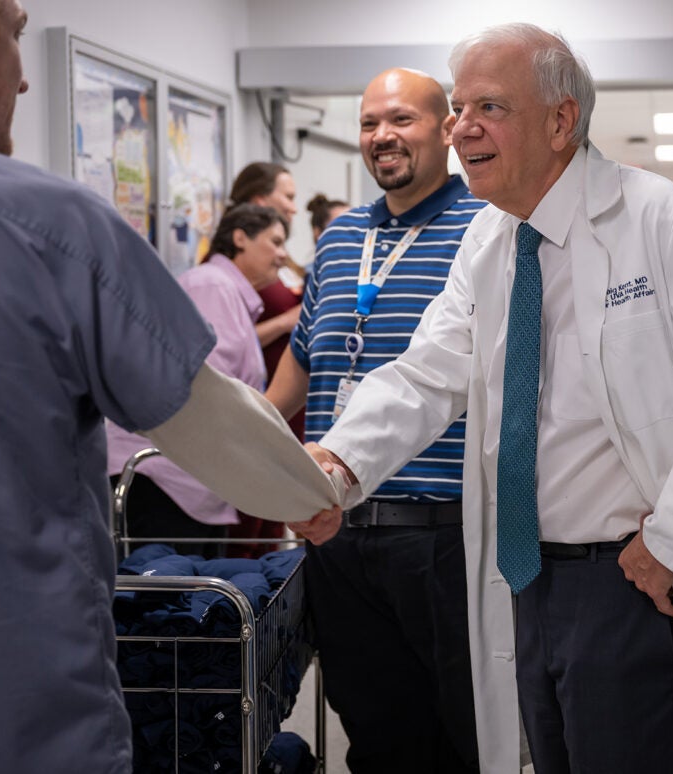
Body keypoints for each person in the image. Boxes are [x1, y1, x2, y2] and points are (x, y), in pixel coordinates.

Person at [309, 24, 673, 773]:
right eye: (457, 107)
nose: (461, 127)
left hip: (630, 582)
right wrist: (339, 464)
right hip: (521, 580)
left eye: (490, 106)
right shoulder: (489, 243)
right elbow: (426, 374)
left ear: (560, 121)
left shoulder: (655, 219)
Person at [0, 2, 343, 772]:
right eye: (16, 34)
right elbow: (213, 423)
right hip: (5, 720)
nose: (22, 80)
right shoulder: (44, 224)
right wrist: (313, 493)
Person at [266, 67, 485, 773]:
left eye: (402, 120)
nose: (382, 137)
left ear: (446, 128)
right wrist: (241, 446)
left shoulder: (487, 229)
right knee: (374, 731)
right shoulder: (338, 239)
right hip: (338, 534)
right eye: (368, 123)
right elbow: (301, 372)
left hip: (445, 534)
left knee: (466, 733)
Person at [106, 204, 290, 556]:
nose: (283, 256)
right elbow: (208, 387)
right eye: (276, 242)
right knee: (166, 602)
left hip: (189, 479)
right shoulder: (211, 286)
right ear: (240, 238)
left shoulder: (227, 292)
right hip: (165, 480)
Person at [226, 162, 306, 557]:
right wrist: (288, 321)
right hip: (264, 400)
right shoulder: (225, 275)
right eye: (288, 197)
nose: (294, 207)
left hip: (289, 403)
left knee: (275, 519)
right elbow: (231, 340)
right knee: (251, 523)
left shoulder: (279, 259)